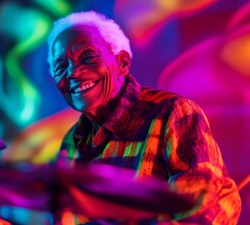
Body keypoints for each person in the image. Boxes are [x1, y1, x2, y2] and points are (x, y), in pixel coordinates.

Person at [46, 11, 241, 224]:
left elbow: (201, 211)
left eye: (88, 57)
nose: (73, 73)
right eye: (61, 66)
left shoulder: (172, 114)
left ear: (122, 63)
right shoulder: (72, 141)